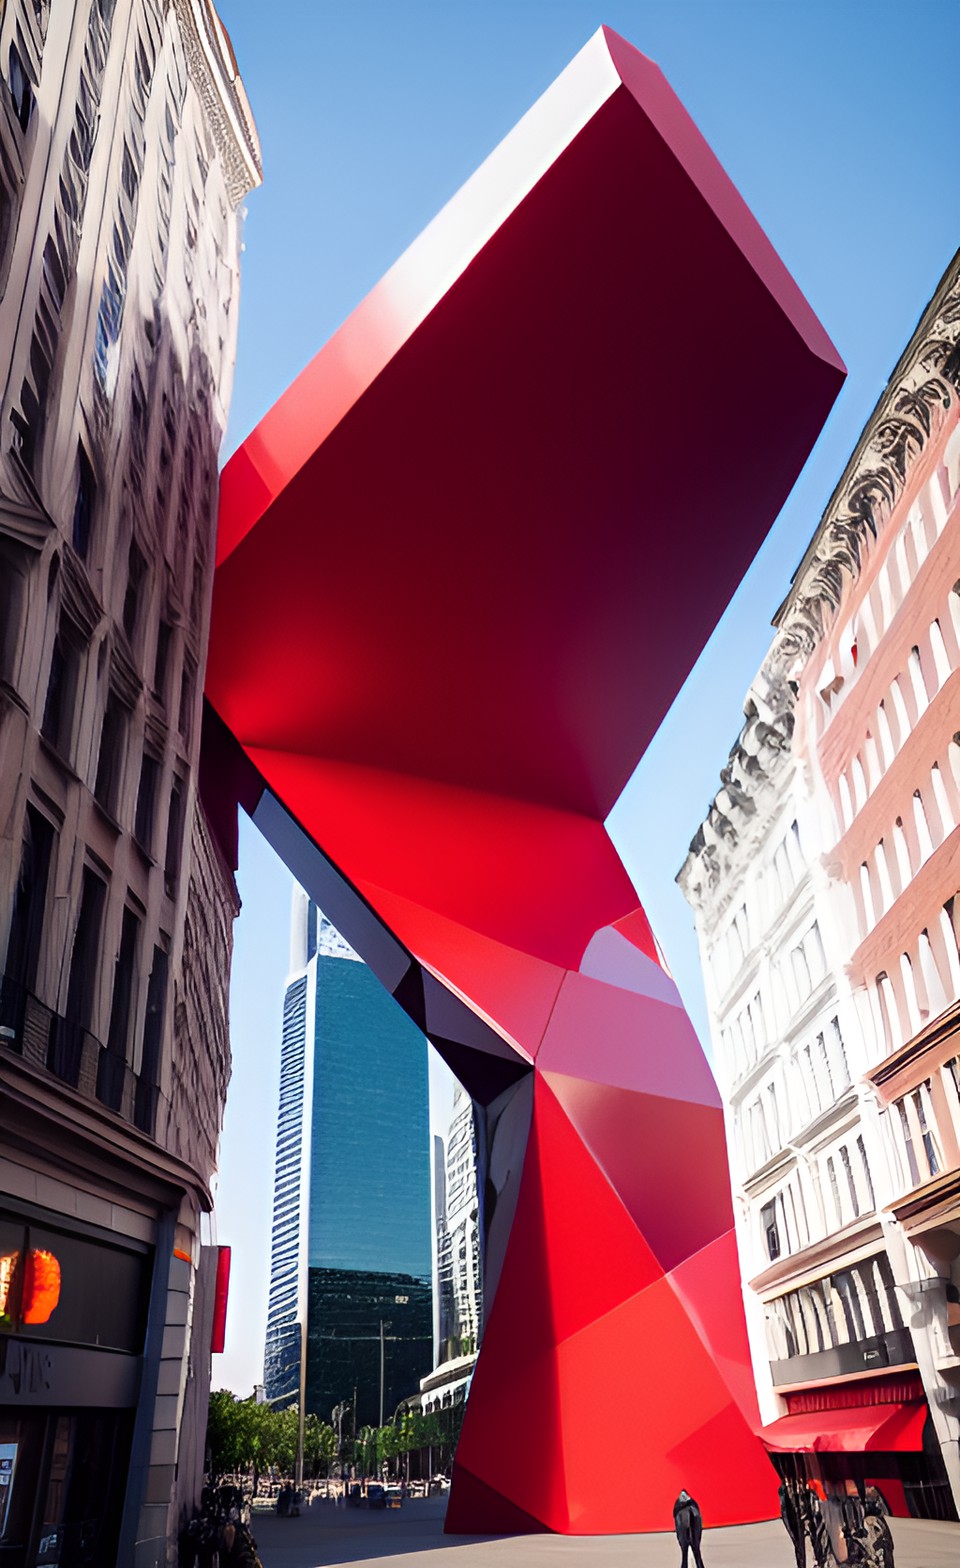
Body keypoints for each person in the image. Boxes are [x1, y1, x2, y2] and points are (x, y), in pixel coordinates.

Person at [673, 1489, 706, 1568]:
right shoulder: (694, 1505)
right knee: (696, 1551)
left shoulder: (678, 1508)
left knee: (684, 1553)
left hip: (682, 1519)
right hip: (694, 1517)